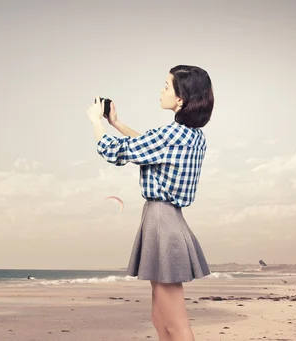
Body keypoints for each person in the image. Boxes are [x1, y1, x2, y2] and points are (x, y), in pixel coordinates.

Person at [86, 65, 214, 341]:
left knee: (177, 322)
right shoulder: (193, 137)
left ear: (181, 99)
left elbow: (114, 151)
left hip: (161, 221)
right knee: (160, 319)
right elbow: (148, 146)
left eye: (167, 86)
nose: (161, 90)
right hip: (168, 219)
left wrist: (97, 122)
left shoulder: (169, 136)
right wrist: (116, 123)